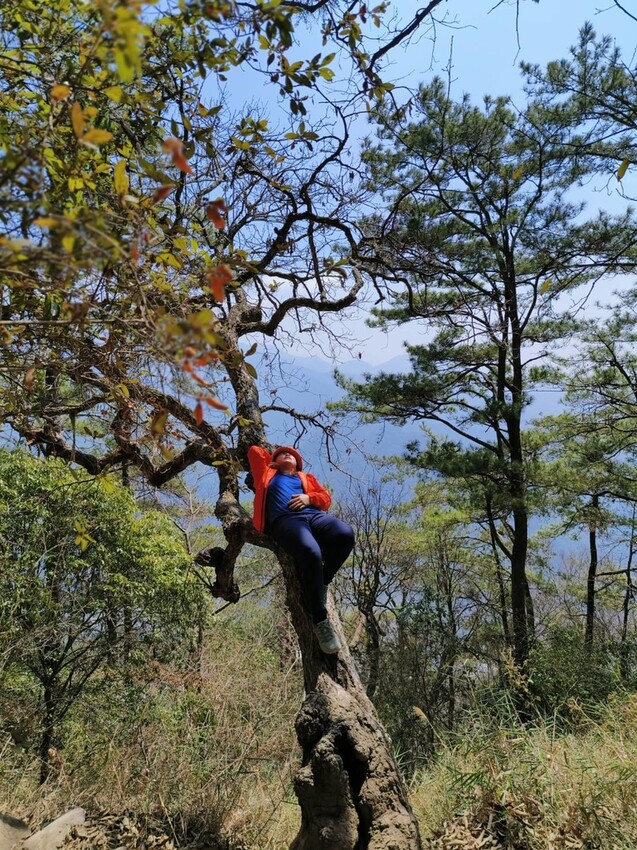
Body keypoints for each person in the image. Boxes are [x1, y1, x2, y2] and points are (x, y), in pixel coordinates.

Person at [247, 444, 355, 654]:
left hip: (314, 515)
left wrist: (309, 498)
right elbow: (253, 451)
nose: (287, 454)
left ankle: (323, 579)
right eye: (282, 454)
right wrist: (273, 460)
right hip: (285, 520)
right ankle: (320, 619)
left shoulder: (306, 478)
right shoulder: (266, 474)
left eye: (292, 455)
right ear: (273, 460)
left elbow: (325, 499)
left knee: (345, 534)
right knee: (311, 552)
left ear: (299, 464)